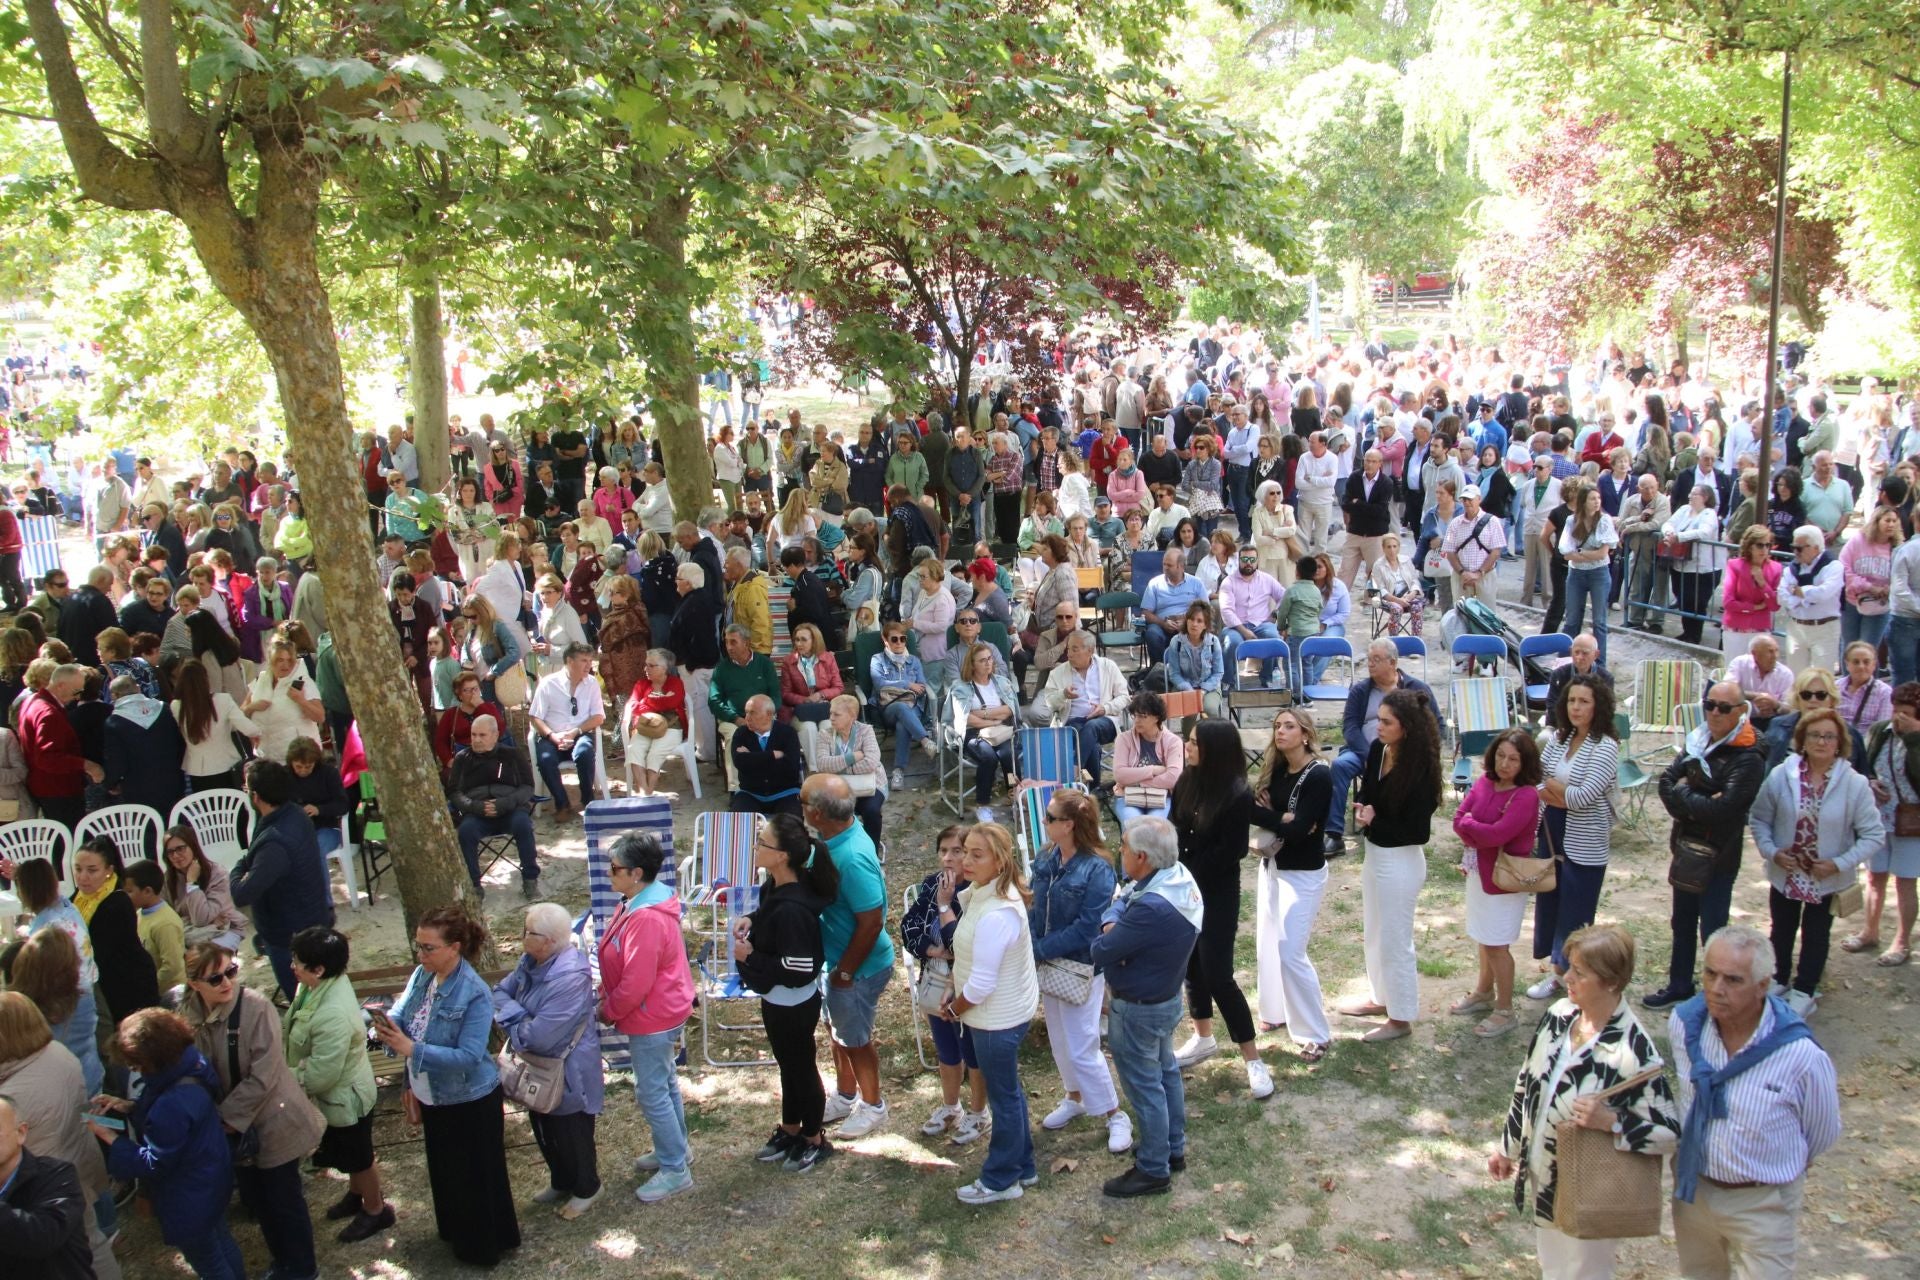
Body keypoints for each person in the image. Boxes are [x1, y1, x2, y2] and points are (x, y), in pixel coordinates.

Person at [1489, 924, 1681, 1280]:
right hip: (1544, 1172)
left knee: (1584, 1272)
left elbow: (1669, 1134)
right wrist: (1508, 1147)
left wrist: (1612, 1122)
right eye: (1569, 967)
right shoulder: (1559, 1016)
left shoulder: (1635, 1052)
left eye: (1580, 972)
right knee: (1554, 1266)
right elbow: (1526, 1083)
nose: (1567, 978)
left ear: (1611, 982)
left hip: (1592, 1185)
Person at [1667, 925, 1841, 1278]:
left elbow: (1822, 1132)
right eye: (1710, 974)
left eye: (1733, 980)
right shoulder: (1685, 1025)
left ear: (1763, 986)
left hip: (1763, 1203)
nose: (1716, 989)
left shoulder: (1800, 1055)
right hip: (1694, 1192)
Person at [373, 905, 521, 1265]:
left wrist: (412, 1049)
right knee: (447, 1171)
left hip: (469, 1099)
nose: (420, 954)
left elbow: (470, 1055)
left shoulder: (473, 991)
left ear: (454, 947)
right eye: (418, 946)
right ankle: (456, 1232)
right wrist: (385, 1025)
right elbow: (404, 1013)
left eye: (428, 947)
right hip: (434, 1094)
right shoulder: (423, 976)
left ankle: (483, 1247)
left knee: (475, 1177)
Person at [177, 942, 324, 1280]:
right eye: (215, 978)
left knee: (284, 1200)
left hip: (273, 1121)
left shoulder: (256, 1008)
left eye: (231, 971)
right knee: (258, 1200)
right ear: (194, 984)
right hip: (234, 1130)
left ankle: (303, 1268)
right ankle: (281, 1262)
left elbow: (264, 1075)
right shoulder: (188, 1014)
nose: (227, 982)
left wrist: (223, 1119)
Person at [1090, 816, 1202, 1197]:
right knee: (1166, 1072)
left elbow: (1102, 948)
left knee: (1144, 1087)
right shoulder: (1177, 877)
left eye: (1123, 847)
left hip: (1138, 1009)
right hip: (1166, 998)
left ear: (1141, 857)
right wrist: (1118, 914)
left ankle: (1154, 1169)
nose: (1119, 852)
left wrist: (1110, 918)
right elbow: (1124, 902)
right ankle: (1172, 1147)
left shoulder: (1151, 908)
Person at [1747, 707, 1884, 1016]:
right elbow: (1759, 820)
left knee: (1816, 934)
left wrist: (1839, 863)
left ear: (1840, 743)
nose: (1822, 741)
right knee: (1781, 928)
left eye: (1829, 736)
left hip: (1826, 877)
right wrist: (1772, 852)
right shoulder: (1783, 774)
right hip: (1787, 872)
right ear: (1802, 740)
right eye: (1815, 735)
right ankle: (1778, 978)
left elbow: (1874, 835)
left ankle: (1805, 989)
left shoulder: (1854, 783)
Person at [91, 1007, 242, 1279]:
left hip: (189, 1196)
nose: (135, 1072)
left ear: (153, 1061)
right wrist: (131, 1106)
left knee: (210, 1262)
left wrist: (109, 1137)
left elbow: (154, 1161)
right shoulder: (192, 1061)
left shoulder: (170, 1105)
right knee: (221, 1241)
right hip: (212, 1175)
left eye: (136, 1066)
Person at [1645, 682, 1768, 1011]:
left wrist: (1686, 792)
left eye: (1724, 707)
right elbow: (1666, 782)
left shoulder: (1749, 755)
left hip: (1719, 855)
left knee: (1712, 929)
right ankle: (1680, 984)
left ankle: (1717, 997)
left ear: (1741, 711)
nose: (1714, 712)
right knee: (1681, 922)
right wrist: (1698, 796)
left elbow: (1724, 809)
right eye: (1709, 704)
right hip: (1687, 847)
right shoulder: (1698, 739)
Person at [1166, 720, 1271, 1092]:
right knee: (1191, 963)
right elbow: (1175, 827)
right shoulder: (1186, 781)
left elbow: (1232, 851)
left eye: (1193, 743)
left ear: (1213, 749)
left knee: (1219, 974)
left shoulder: (1237, 794)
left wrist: (1187, 871)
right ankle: (1202, 1035)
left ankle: (1253, 1059)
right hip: (1184, 888)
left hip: (1217, 892)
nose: (1187, 747)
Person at [733, 813, 840, 1173]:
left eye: (762, 842)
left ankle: (814, 1138)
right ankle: (790, 1127)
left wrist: (752, 957)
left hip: (793, 1003)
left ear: (781, 856)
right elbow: (768, 915)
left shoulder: (794, 908)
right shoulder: (773, 887)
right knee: (788, 1066)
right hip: (777, 1001)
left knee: (802, 1068)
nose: (755, 847)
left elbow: (797, 968)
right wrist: (753, 918)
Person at [939, 822, 1039, 1205]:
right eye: (965, 851)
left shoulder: (998, 912)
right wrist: (954, 985)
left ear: (999, 860)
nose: (966, 860)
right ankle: (1024, 1166)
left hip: (997, 1021)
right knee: (1009, 1093)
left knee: (1003, 1099)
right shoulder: (984, 892)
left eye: (977, 854)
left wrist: (954, 1007)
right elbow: (971, 958)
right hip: (997, 1015)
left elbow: (982, 984)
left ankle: (1001, 1180)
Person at [1026, 789, 1129, 1152]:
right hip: (1048, 962)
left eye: (1050, 818)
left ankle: (1115, 1114)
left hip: (1080, 966)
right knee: (1059, 1038)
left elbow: (1088, 928)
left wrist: (1036, 948)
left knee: (1083, 1043)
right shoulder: (1047, 857)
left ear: (1068, 825)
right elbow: (1036, 905)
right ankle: (1075, 1097)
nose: (1045, 822)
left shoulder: (1098, 869)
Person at [1340, 687, 1444, 1042]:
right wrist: (1365, 809)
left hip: (1401, 860)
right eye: (1378, 720)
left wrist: (1374, 819)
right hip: (1376, 853)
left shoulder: (1421, 768)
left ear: (1407, 727)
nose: (1378, 726)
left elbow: (1417, 830)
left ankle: (1401, 1017)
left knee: (1396, 939)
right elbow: (1367, 791)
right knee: (1375, 931)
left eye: (1386, 722)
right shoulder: (1377, 749)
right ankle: (1380, 996)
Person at [597, 833, 696, 1204]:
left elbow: (637, 981)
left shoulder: (646, 917)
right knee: (664, 1082)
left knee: (652, 1091)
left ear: (637, 873)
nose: (610, 874)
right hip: (659, 1009)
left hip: (651, 1014)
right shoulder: (639, 901)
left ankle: (674, 1170)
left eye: (616, 868)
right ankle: (676, 1148)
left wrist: (609, 1010)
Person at [494, 903, 604, 1218]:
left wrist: (514, 1017)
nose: (522, 936)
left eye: (529, 932)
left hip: (568, 1067)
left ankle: (587, 1187)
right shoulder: (530, 960)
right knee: (542, 1120)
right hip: (535, 1064)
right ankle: (561, 1180)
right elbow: (500, 992)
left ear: (551, 941)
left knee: (571, 1128)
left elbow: (541, 1036)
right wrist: (522, 1018)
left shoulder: (569, 974)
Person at [283, 926, 390, 1244]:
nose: (292, 966)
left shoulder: (332, 1014)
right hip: (341, 1097)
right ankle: (356, 1196)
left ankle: (376, 1210)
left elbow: (321, 1075)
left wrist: (289, 1079)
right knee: (349, 1153)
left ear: (318, 969)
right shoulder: (322, 982)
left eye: (298, 962)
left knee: (360, 1158)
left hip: (346, 1099)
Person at [803, 775, 895, 1139]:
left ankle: (873, 1106)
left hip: (858, 968)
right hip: (837, 963)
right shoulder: (834, 838)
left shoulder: (852, 857)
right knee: (837, 1031)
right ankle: (845, 1095)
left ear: (819, 813)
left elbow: (872, 921)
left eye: (803, 800)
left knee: (855, 1039)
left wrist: (845, 972)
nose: (800, 806)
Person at [0, 997, 116, 1280]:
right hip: (77, 1162)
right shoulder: (55, 1052)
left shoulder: (17, 1091)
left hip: (43, 1186)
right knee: (91, 1241)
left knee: (74, 1252)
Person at [1527, 675, 1623, 1003]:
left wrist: (1556, 789)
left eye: (1584, 701)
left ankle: (1576, 977)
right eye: (1571, 701)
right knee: (1551, 904)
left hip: (1585, 838)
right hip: (1552, 830)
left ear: (1598, 706)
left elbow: (1583, 798)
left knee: (1576, 912)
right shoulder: (1557, 738)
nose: (1576, 708)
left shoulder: (1606, 746)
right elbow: (1537, 781)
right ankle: (1557, 974)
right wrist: (1558, 792)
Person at [1247, 706, 1335, 1059]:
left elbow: (1301, 832)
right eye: (1277, 726)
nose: (1280, 731)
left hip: (1303, 874)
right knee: (1267, 943)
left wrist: (1285, 819)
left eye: (1288, 726)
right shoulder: (1278, 770)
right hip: (1273, 867)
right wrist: (1280, 816)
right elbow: (1252, 811)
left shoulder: (1318, 777)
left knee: (1290, 951)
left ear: (1306, 734)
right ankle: (1274, 1012)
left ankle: (1315, 1031)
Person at [1449, 729, 1543, 1039]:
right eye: (1501, 755)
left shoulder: (1527, 795)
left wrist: (1472, 826)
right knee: (1483, 937)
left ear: (1525, 762)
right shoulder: (1485, 781)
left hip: (1504, 880)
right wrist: (1475, 827)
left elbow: (1498, 834)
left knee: (1497, 944)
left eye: (1513, 759)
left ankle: (1505, 1010)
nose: (1505, 763)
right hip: (1479, 872)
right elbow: (1457, 818)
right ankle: (1483, 992)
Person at [901, 826, 990, 1144]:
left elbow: (972, 942)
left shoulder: (978, 890)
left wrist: (946, 904)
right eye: (944, 851)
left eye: (957, 850)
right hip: (935, 979)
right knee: (946, 1048)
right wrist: (929, 948)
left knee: (972, 1050)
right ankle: (951, 1106)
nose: (949, 858)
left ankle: (980, 1113)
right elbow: (908, 925)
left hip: (965, 983)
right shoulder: (930, 885)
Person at [229, 759, 334, 1000]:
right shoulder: (295, 814)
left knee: (305, 1002)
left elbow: (242, 893)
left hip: (290, 937)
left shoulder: (275, 842)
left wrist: (238, 867)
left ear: (255, 797)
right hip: (310, 919)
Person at [1325, 638, 1439, 855]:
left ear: (1393, 662)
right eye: (1369, 659)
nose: (1370, 664)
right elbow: (1350, 727)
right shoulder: (1360, 690)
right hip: (1363, 752)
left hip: (1404, 757)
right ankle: (1334, 834)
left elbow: (1436, 724)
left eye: (1376, 659)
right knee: (1339, 766)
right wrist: (1370, 755)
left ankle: (1388, 821)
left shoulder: (1417, 689)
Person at [1854, 682, 1920, 966]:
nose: (1898, 717)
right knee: (1874, 877)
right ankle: (1870, 931)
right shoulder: (1881, 731)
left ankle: (1902, 941)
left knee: (1905, 883)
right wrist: (1869, 783)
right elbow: (1865, 765)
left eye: (1906, 712)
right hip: (1880, 818)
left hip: (1911, 822)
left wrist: (1914, 737)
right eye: (1896, 710)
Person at [448, 712, 541, 897]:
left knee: (523, 825)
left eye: (482, 735)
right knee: (465, 832)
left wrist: (506, 803)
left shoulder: (512, 755)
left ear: (495, 735)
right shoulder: (462, 758)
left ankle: (530, 879)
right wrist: (474, 806)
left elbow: (527, 787)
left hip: (510, 810)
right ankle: (474, 886)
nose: (476, 740)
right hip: (476, 813)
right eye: (473, 735)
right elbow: (453, 792)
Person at [71, 837, 160, 1026]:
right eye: (78, 869)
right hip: (106, 982)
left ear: (109, 871)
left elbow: (96, 953)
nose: (82, 877)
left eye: (92, 870)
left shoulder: (117, 904)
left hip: (129, 989)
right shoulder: (81, 896)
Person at [528, 641, 605, 820]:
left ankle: (588, 800)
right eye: (584, 661)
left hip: (579, 733)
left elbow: (598, 717)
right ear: (570, 661)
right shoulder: (549, 683)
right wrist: (552, 736)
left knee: (585, 752)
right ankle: (562, 804)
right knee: (545, 759)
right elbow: (535, 716)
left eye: (590, 660)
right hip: (551, 735)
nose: (589, 665)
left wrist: (575, 732)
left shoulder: (591, 683)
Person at [18, 663, 96, 839]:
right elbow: (47, 758)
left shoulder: (32, 701)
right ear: (61, 685)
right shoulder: (48, 712)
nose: (77, 698)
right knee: (67, 841)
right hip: (58, 789)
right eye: (76, 691)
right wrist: (86, 765)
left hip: (47, 787)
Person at [100, 672, 186, 821]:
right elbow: (180, 745)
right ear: (138, 688)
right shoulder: (164, 709)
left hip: (138, 789)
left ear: (113, 696)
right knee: (175, 825)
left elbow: (117, 761)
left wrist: (110, 783)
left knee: (148, 832)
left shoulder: (114, 723)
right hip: (172, 782)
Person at [950, 641, 1019, 822]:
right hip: (973, 733)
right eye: (982, 660)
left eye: (989, 659)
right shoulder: (961, 686)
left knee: (1008, 754)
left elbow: (1010, 710)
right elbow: (966, 718)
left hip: (1001, 730)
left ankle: (1016, 797)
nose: (988, 663)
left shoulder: (1001, 683)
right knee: (988, 757)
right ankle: (983, 804)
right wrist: (993, 718)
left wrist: (984, 714)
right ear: (972, 664)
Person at [810, 693, 887, 842]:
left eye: (836, 714)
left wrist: (840, 769)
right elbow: (822, 764)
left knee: (872, 812)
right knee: (823, 813)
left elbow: (871, 763)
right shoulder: (824, 735)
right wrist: (852, 757)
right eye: (830, 713)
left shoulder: (866, 731)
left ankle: (871, 853)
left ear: (852, 716)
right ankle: (837, 852)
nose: (831, 717)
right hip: (837, 789)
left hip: (870, 786)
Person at [160, 823, 247, 949]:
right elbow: (168, 920)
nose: (175, 856)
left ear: (193, 847)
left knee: (204, 958)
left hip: (225, 931)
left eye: (180, 849)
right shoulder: (167, 880)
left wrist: (191, 883)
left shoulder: (217, 874)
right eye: (170, 852)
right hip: (191, 933)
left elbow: (201, 919)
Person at [1777, 524, 1844, 676]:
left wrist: (1798, 591)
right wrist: (1802, 596)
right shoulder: (1791, 569)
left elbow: (1823, 593)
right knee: (1795, 678)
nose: (1795, 552)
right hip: (1796, 627)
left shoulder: (1833, 566)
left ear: (1815, 547)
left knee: (1822, 678)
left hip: (1824, 628)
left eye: (1799, 548)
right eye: (1793, 547)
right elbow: (1782, 595)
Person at [728, 694, 804, 818]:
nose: (747, 718)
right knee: (737, 822)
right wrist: (772, 755)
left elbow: (790, 768)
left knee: (791, 824)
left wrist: (752, 758)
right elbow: (740, 762)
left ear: (769, 714)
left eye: (752, 713)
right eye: (746, 713)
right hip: (750, 793)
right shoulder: (741, 733)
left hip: (785, 793)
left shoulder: (787, 733)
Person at [122, 860, 187, 991]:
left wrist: (147, 986)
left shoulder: (165, 923)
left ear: (147, 891)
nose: (125, 897)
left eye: (129, 891)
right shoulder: (139, 913)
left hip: (169, 993)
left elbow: (172, 966)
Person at [1139, 547, 1207, 665]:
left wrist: (1187, 622)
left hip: (1189, 625)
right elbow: (1146, 612)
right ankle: (1159, 672)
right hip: (1162, 624)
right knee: (1152, 634)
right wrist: (1163, 623)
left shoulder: (1196, 583)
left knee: (1198, 631)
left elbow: (1205, 610)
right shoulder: (1155, 584)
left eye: (1169, 565)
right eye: (1164, 564)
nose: (1165, 568)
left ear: (1180, 566)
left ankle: (1192, 671)